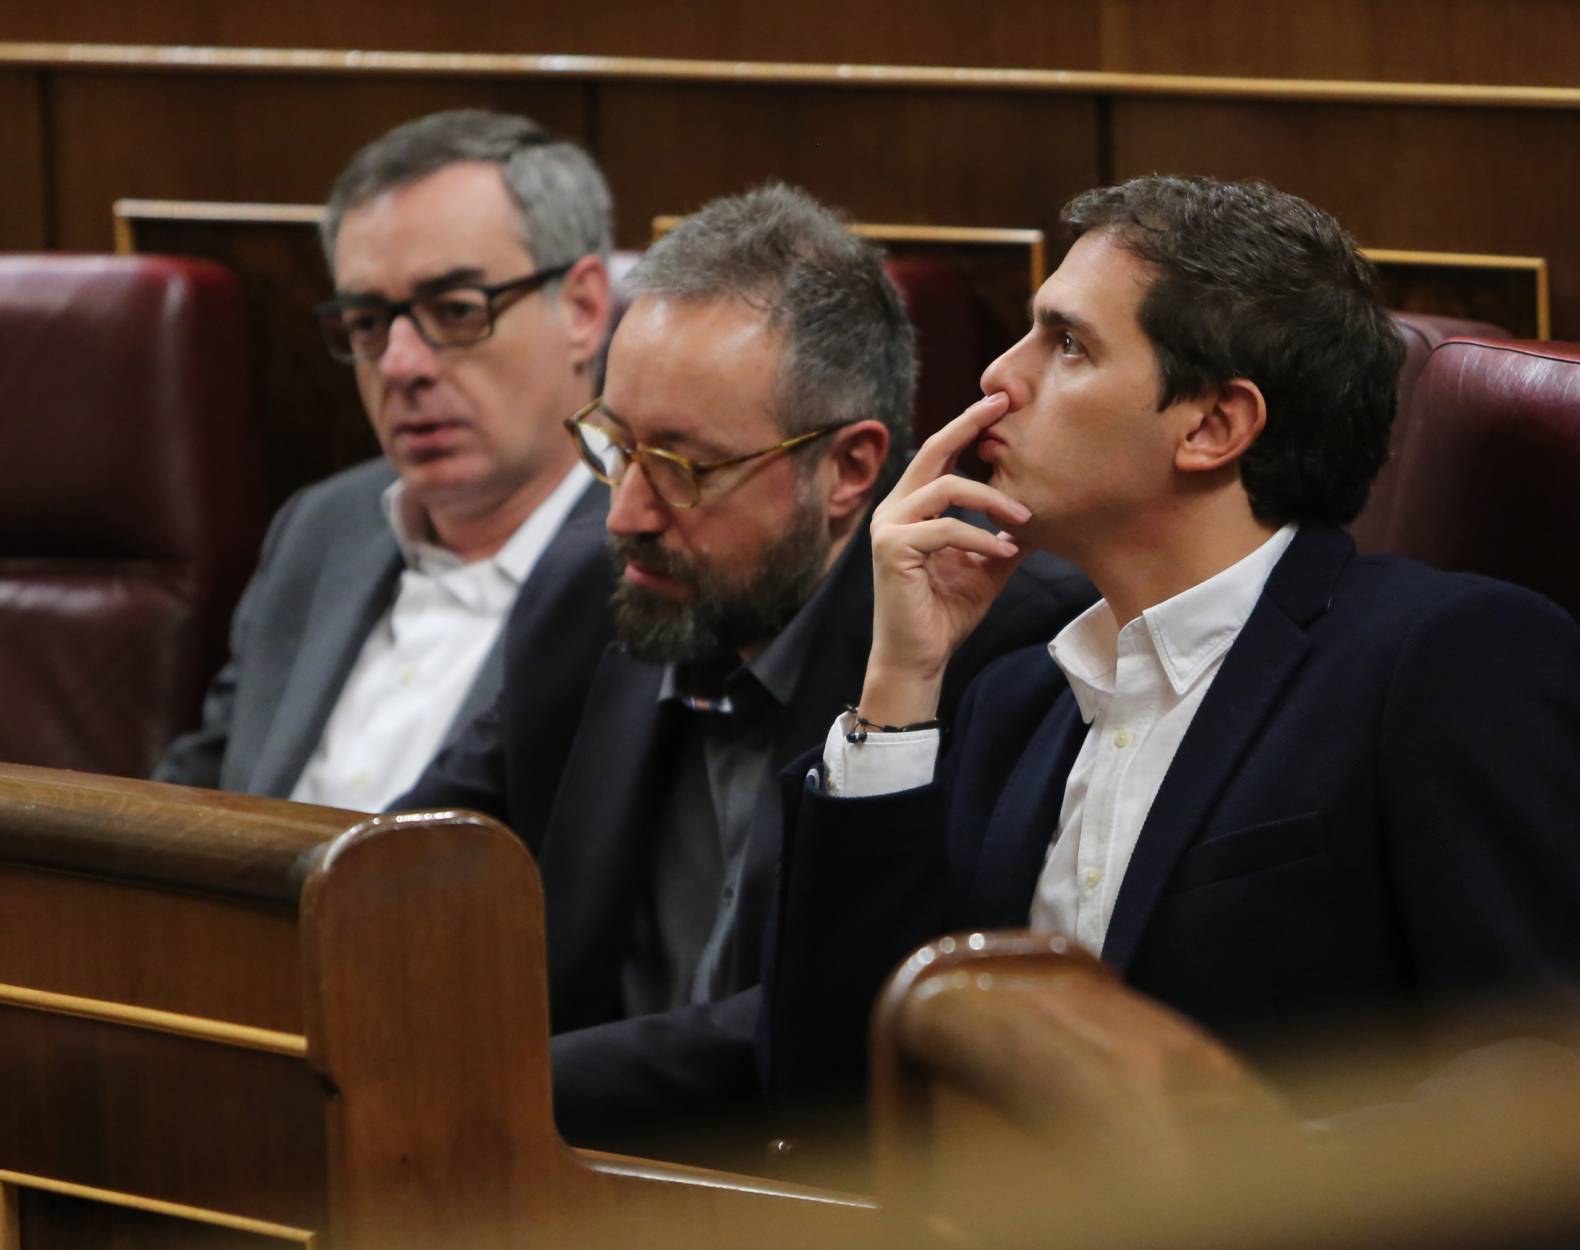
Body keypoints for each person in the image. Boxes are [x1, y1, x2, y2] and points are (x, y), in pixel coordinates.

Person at [764, 175, 1580, 1118]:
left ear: (1214, 425)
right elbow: (832, 1111)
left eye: (1066, 343)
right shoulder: (1010, 701)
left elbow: (1565, 1079)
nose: (998, 376)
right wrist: (901, 683)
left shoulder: (1450, 662)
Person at [396, 184, 1093, 1161]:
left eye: (683, 464)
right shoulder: (588, 596)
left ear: (849, 470)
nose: (625, 512)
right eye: (618, 445)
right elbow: (406, 860)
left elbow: (832, 1024)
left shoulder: (996, 644)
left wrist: (475, 1085)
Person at [153, 109, 614, 808]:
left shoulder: (649, 563)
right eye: (368, 322)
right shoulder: (320, 528)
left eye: (457, 310)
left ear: (582, 309)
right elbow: (197, 802)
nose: (400, 364)